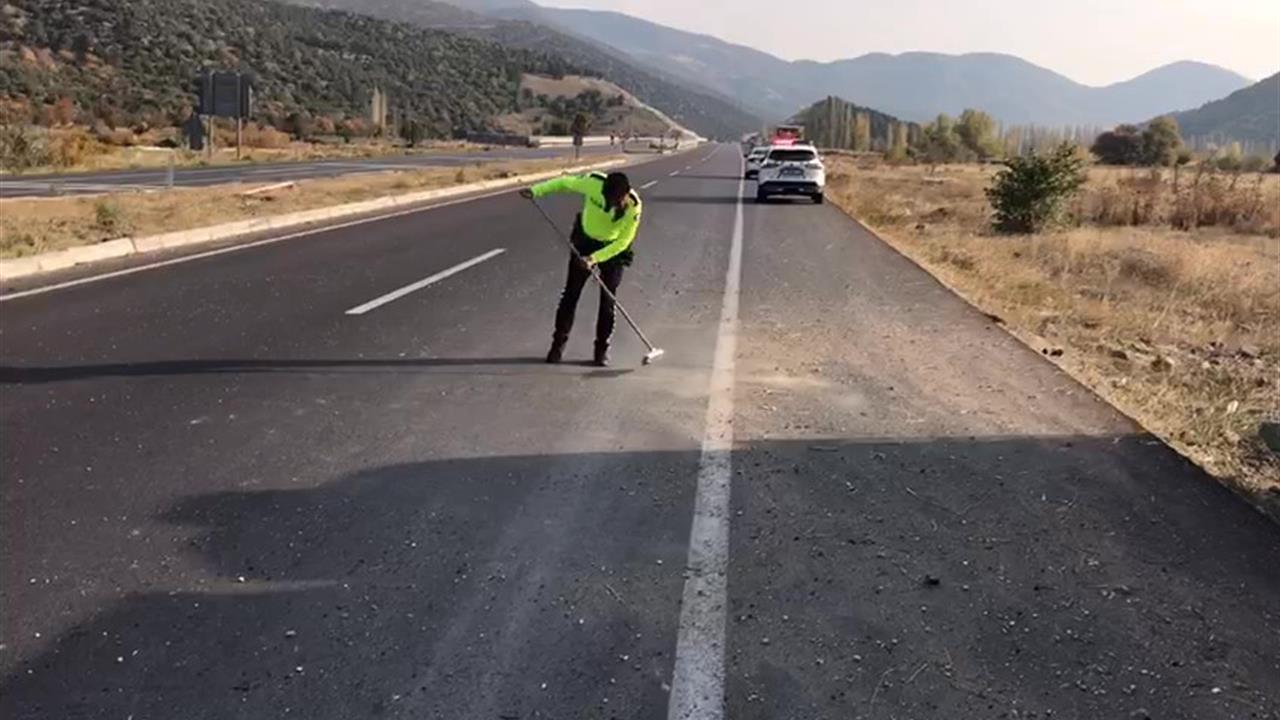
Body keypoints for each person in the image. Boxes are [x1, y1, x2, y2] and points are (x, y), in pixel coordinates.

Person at [519, 171, 642, 367]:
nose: (614, 204)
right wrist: (535, 191)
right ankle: (557, 345)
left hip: (612, 250)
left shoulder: (633, 207)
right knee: (571, 294)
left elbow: (624, 241)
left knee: (608, 300)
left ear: (627, 194)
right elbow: (564, 183)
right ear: (603, 192)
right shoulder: (593, 184)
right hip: (585, 240)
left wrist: (594, 259)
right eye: (610, 199)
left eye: (618, 200)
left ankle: (601, 350)